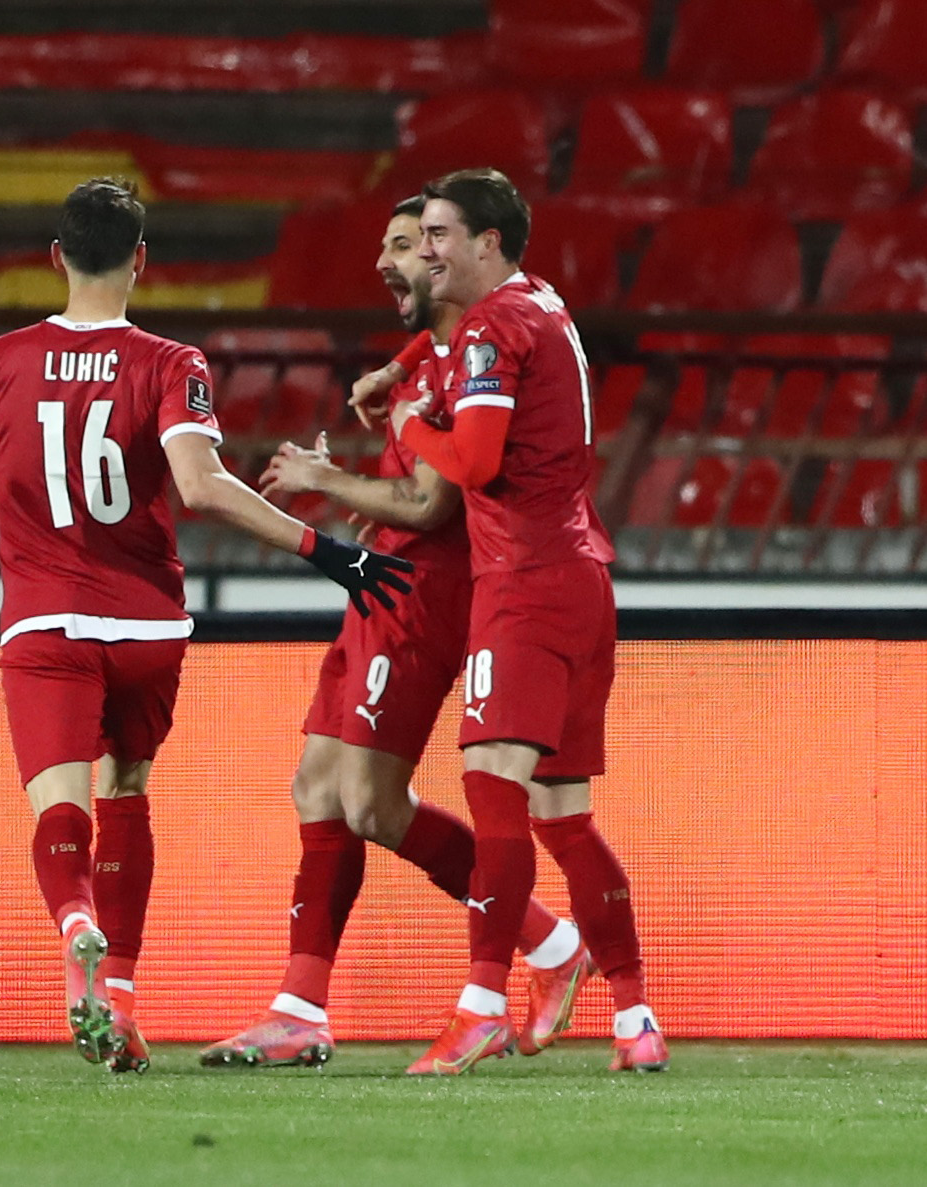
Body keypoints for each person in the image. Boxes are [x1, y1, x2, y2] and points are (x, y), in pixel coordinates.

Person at [0, 178, 412, 1074]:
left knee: (59, 806)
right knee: (127, 792)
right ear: (142, 259)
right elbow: (199, 484)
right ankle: (126, 1005)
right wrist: (326, 551)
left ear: (57, 257)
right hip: (146, 623)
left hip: (45, 623)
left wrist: (20, 477)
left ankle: (77, 930)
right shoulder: (170, 361)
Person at [199, 197, 588, 1070]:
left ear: (458, 259)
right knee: (315, 786)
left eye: (413, 246)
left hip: (424, 591)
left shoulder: (473, 360)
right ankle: (299, 1007)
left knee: (372, 802)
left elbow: (429, 501)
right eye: (390, 243)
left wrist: (323, 477)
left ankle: (553, 945)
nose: (394, 260)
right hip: (382, 588)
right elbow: (435, 344)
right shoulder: (442, 351)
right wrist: (397, 368)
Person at [390, 168, 666, 1074]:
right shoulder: (540, 301)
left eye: (439, 234)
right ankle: (635, 1017)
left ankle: (480, 1005)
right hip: (585, 577)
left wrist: (408, 425)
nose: (425, 250)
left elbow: (471, 461)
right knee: (564, 815)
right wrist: (406, 378)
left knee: (490, 784)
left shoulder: (493, 325)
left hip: (525, 580)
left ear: (489, 244)